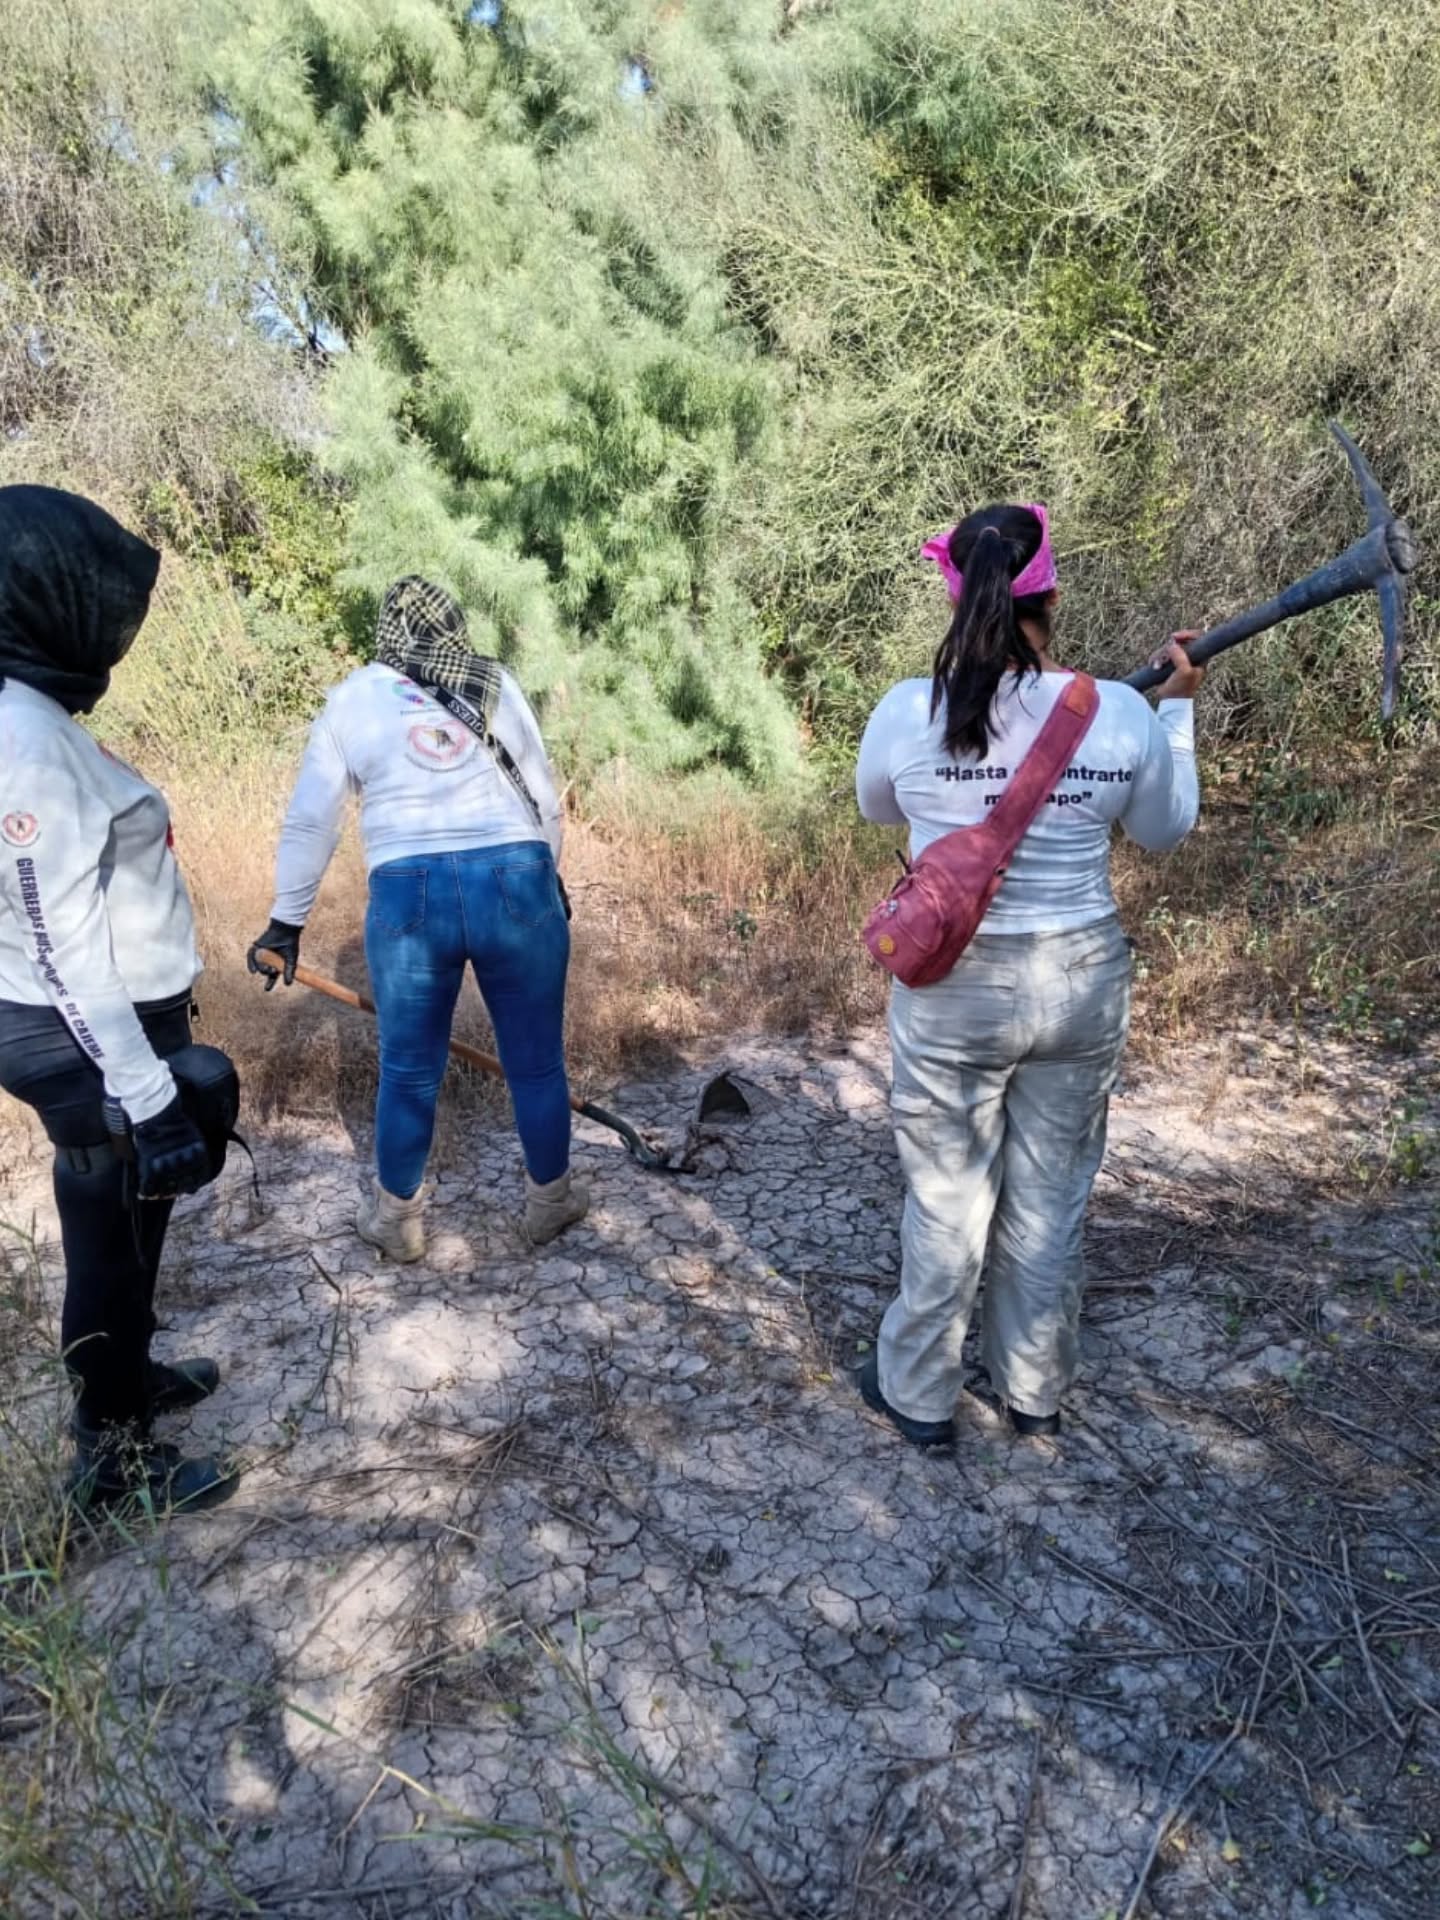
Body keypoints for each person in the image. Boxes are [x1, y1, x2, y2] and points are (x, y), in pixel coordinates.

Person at [854, 502, 1203, 1446]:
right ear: (1048, 593)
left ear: (955, 593)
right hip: (1080, 977)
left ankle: (922, 1397)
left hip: (952, 982)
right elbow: (1165, 832)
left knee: (945, 1196)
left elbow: (878, 805)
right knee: (1051, 1196)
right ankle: (1032, 1391)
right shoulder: (1121, 711)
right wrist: (1178, 714)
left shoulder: (906, 709)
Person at [0, 486, 237, 1511]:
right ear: (37, 595)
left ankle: (128, 1378)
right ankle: (115, 1463)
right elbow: (54, 942)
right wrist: (143, 1092)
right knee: (109, 1229)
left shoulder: (33, 718)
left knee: (132, 1220)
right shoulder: (23, 739)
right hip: (80, 1034)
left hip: (104, 1028)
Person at [248, 577, 586, 1260]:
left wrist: (287, 921)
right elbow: (542, 793)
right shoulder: (494, 683)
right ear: (454, 625)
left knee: (408, 1070)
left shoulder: (352, 698)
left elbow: (313, 818)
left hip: (410, 889)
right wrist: (549, 874)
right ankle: (549, 1202)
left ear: (387, 631)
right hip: (516, 878)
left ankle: (397, 1221)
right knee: (536, 1062)